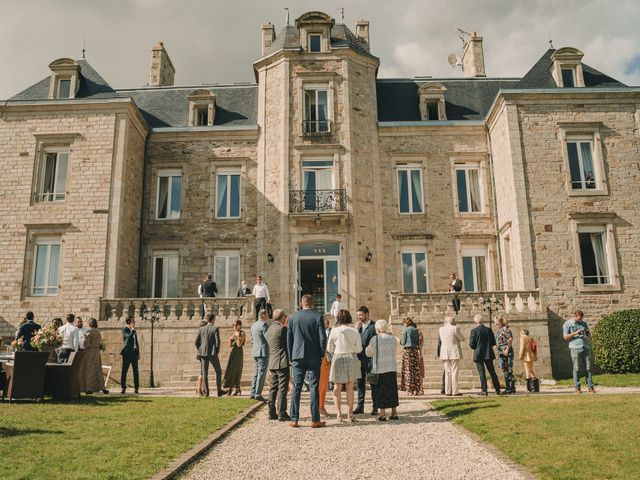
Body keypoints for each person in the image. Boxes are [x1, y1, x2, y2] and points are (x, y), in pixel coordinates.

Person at [287, 294, 327, 428]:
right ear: (313, 304)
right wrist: (321, 354)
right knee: (314, 386)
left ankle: (294, 419)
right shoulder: (317, 316)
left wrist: (291, 356)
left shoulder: (293, 317)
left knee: (296, 387)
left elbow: (290, 338)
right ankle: (315, 419)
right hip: (314, 355)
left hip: (297, 355)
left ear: (301, 303)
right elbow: (323, 338)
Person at [327, 309, 361, 423]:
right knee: (350, 388)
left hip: (338, 356)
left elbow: (329, 349)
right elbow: (359, 349)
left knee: (337, 387)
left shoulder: (333, 331)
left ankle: (339, 414)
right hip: (351, 356)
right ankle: (350, 414)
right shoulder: (354, 331)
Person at [365, 319, 399, 421]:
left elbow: (368, 353)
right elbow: (395, 349)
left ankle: (383, 414)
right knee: (392, 390)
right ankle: (394, 412)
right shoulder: (393, 338)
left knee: (381, 391)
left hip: (380, 367)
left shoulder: (375, 339)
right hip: (391, 366)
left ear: (378, 328)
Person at [266, 309, 291, 421]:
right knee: (282, 389)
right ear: (282, 317)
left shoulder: (270, 329)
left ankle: (271, 412)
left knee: (273, 388)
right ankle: (282, 412)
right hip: (282, 361)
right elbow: (288, 345)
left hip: (272, 361)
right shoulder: (283, 329)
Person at [563, 309, 595, 394]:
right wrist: (576, 332)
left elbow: (589, 335)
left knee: (588, 368)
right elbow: (565, 337)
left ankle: (590, 387)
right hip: (574, 347)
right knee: (576, 368)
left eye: (581, 319)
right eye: (579, 319)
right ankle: (577, 388)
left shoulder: (584, 323)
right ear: (575, 316)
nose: (580, 321)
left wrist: (587, 332)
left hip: (585, 346)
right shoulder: (568, 324)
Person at [195, 313, 227, 397]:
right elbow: (218, 342)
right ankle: (219, 390)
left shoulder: (201, 329)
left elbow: (196, 342)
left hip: (203, 353)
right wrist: (217, 351)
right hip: (212, 353)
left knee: (204, 372)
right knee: (218, 371)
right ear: (213, 320)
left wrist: (200, 349)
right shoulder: (215, 328)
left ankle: (207, 392)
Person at [469, 314, 501, 396]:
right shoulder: (489, 330)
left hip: (478, 353)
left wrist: (476, 346)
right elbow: (493, 342)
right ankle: (497, 389)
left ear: (476, 322)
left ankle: (484, 390)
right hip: (488, 353)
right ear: (482, 321)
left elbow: (471, 344)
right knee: (492, 372)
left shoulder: (474, 331)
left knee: (481, 373)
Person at [354, 306, 377, 415]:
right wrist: (356, 330)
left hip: (370, 359)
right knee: (360, 383)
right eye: (358, 315)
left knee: (373, 383)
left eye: (361, 315)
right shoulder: (357, 327)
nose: (359, 317)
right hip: (359, 359)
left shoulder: (374, 326)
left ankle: (375, 407)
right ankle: (360, 406)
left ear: (367, 314)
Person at [80, 318, 109, 394]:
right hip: (97, 352)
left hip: (90, 352)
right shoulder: (98, 331)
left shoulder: (90, 331)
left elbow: (87, 343)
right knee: (98, 369)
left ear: (90, 323)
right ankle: (102, 387)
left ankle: (89, 388)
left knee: (89, 369)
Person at [439, 315, 465, 396]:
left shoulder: (441, 329)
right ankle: (455, 391)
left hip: (445, 352)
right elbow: (462, 338)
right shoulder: (455, 328)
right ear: (453, 321)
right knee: (454, 372)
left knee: (447, 372)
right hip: (454, 352)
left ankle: (447, 391)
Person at [250, 309, 270, 401]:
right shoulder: (263, 324)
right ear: (263, 315)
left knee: (256, 372)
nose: (268, 317)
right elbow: (268, 338)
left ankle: (253, 392)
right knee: (261, 373)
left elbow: (252, 339)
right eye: (267, 315)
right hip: (262, 352)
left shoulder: (254, 325)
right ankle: (257, 393)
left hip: (256, 351)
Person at [400, 317, 422, 396]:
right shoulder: (417, 330)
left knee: (408, 371)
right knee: (415, 371)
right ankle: (416, 389)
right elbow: (418, 342)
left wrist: (399, 341)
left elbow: (403, 342)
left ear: (405, 323)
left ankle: (409, 390)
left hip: (407, 351)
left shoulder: (405, 330)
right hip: (415, 351)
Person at [223, 319, 246, 395]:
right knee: (230, 369)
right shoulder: (235, 333)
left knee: (236, 370)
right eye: (233, 325)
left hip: (239, 353)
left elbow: (239, 345)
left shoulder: (242, 333)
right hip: (233, 352)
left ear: (239, 325)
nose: (234, 326)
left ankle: (231, 389)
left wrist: (237, 336)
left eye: (235, 325)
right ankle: (237, 388)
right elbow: (230, 345)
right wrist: (230, 339)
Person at [494, 316, 516, 394]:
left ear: (501, 322)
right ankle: (511, 387)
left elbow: (510, 339)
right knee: (506, 370)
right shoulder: (499, 331)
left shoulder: (505, 330)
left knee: (508, 370)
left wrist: (507, 349)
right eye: (495, 323)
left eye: (497, 323)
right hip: (501, 353)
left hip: (507, 352)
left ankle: (509, 388)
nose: (496, 324)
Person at [120, 316, 140, 394]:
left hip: (134, 353)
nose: (134, 323)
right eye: (133, 322)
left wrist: (138, 353)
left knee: (136, 371)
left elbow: (136, 342)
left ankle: (136, 387)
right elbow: (127, 339)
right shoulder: (125, 330)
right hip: (127, 353)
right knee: (124, 371)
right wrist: (132, 331)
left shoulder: (134, 331)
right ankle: (123, 387)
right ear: (129, 323)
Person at [318, 316, 332, 417]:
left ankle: (319, 407)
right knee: (321, 386)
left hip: (324, 359)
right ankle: (320, 407)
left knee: (322, 386)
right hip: (321, 360)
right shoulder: (319, 333)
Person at [518, 328, 539, 392]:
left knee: (527, 370)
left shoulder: (523, 338)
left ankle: (529, 388)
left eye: (520, 333)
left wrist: (520, 355)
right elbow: (534, 347)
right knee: (530, 370)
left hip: (526, 356)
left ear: (522, 333)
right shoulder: (531, 338)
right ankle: (535, 387)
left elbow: (522, 347)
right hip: (531, 355)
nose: (520, 335)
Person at [195, 320, 207, 396]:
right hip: (202, 353)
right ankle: (199, 389)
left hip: (201, 353)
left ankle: (202, 388)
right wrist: (200, 349)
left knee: (203, 371)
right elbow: (196, 342)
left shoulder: (201, 333)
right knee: (202, 372)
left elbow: (196, 342)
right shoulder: (202, 334)